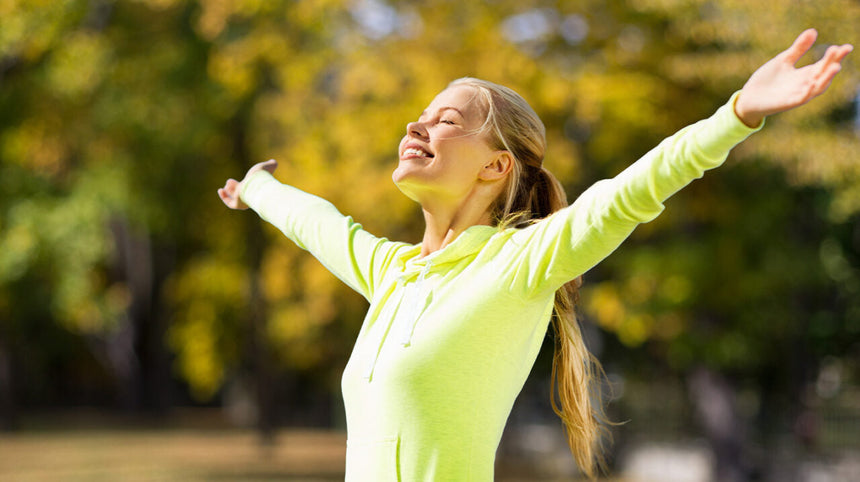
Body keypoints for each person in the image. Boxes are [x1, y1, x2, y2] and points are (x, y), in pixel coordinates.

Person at [218, 29, 852, 481]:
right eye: (417, 116)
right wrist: (258, 187)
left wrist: (736, 114)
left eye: (444, 120)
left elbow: (630, 193)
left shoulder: (519, 264)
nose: (415, 127)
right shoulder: (392, 273)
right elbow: (317, 223)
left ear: (496, 165)